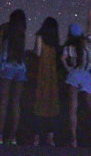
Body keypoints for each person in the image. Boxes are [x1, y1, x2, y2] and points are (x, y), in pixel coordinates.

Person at [62, 10, 91, 149]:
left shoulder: (68, 46)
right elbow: (90, 29)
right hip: (86, 75)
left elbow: (63, 59)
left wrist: (68, 69)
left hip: (74, 74)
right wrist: (90, 18)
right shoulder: (87, 43)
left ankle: (74, 141)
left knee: (73, 109)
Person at [0, 9, 27, 145]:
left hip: (6, 65)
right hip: (20, 67)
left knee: (3, 102)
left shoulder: (4, 28)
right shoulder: (22, 31)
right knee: (16, 103)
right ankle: (12, 138)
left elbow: (0, 48)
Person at [32, 17, 60, 147]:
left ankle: (36, 139)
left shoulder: (40, 37)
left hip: (41, 75)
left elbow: (37, 53)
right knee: (52, 107)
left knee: (39, 105)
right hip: (52, 77)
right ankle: (51, 139)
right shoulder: (55, 42)